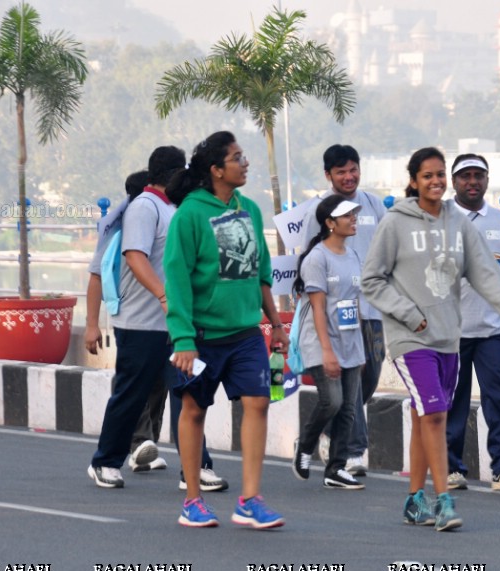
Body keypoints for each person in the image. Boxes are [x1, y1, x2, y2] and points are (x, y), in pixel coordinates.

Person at [361, 147, 500, 531]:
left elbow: (493, 275)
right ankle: (445, 496)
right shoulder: (396, 223)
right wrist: (409, 314)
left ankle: (418, 498)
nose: (438, 181)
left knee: (431, 412)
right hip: (415, 337)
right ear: (414, 180)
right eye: (429, 176)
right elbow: (372, 280)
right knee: (439, 411)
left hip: (462, 333)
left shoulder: (470, 224)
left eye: (440, 174)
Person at [164, 130, 290, 529]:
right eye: (237, 158)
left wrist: (275, 323)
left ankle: (250, 499)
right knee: (194, 410)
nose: (245, 162)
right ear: (217, 170)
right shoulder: (189, 213)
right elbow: (177, 277)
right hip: (200, 336)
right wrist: (183, 339)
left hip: (246, 333)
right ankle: (192, 500)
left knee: (258, 402)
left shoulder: (250, 210)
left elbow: (261, 273)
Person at [86, 147, 232, 490]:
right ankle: (105, 461)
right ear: (172, 173)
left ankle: (196, 468)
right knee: (131, 394)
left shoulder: (174, 208)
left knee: (189, 394)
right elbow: (135, 256)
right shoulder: (144, 207)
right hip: (141, 323)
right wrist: (164, 295)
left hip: (177, 325)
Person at [444, 154, 500, 492]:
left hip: (494, 329)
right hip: (450, 330)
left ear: (486, 180)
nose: (472, 182)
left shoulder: (498, 220)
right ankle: (450, 468)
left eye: (478, 176)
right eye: (465, 176)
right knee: (452, 401)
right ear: (454, 182)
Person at [302, 144, 387, 477]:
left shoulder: (375, 205)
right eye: (341, 171)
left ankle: (330, 432)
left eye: (353, 169)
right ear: (328, 175)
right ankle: (352, 452)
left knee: (370, 377)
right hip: (339, 312)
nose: (349, 176)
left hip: (373, 308)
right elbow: (309, 257)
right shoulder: (319, 210)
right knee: (350, 378)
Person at [85, 170, 168, 473]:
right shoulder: (117, 233)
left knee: (160, 385)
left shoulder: (161, 224)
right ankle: (136, 441)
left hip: (165, 323)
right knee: (135, 384)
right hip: (133, 321)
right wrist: (92, 325)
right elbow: (96, 278)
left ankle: (145, 444)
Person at [290, 194, 366, 490]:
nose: (353, 219)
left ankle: (336, 468)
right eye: (346, 215)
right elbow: (318, 309)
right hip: (321, 340)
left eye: (353, 214)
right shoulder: (317, 259)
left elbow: (354, 302)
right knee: (331, 400)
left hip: (350, 340)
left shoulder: (353, 255)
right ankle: (305, 445)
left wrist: (358, 346)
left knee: (349, 407)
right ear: (330, 223)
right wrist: (327, 351)